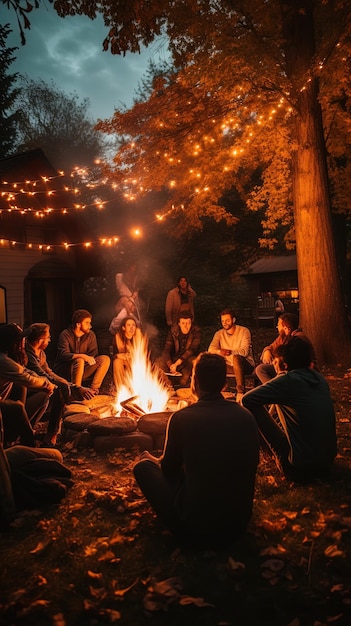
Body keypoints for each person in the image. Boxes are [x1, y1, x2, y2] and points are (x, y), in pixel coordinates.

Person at [133, 352, 259, 547]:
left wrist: (151, 459)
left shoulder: (182, 418)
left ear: (194, 382)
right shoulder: (246, 416)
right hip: (238, 524)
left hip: (196, 528)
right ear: (224, 385)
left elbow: (168, 471)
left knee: (142, 467)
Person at [242, 337, 337, 482]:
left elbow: (246, 400)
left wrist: (280, 375)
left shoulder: (287, 380)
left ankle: (277, 456)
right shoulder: (319, 378)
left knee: (251, 404)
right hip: (326, 463)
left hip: (298, 468)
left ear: (284, 364)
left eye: (275, 361)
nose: (273, 364)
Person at [25, 323, 96, 446]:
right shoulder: (28, 354)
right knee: (57, 390)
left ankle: (36, 431)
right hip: (25, 394)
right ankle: (50, 433)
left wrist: (74, 386)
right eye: (48, 338)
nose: (50, 340)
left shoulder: (41, 353)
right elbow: (42, 375)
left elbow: (50, 373)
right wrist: (74, 388)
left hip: (38, 388)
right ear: (40, 340)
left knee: (59, 386)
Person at [0, 323, 56, 447]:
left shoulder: (7, 358)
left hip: (3, 405)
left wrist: (45, 381)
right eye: (20, 340)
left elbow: (24, 371)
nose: (23, 343)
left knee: (21, 387)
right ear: (12, 343)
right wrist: (47, 384)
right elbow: (27, 378)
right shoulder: (2, 361)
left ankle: (19, 434)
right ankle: (24, 440)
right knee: (31, 400)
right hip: (2, 409)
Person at [53, 309, 110, 394]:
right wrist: (82, 356)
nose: (90, 326)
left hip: (83, 370)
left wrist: (86, 359)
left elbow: (93, 356)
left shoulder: (90, 335)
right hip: (66, 371)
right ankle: (76, 392)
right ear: (78, 324)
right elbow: (63, 355)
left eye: (90, 323)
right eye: (87, 323)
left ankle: (93, 390)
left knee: (105, 359)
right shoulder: (65, 335)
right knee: (80, 360)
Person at [255, 312, 317, 384]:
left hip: (300, 370)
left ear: (286, 327)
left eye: (279, 325)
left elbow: (292, 360)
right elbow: (272, 346)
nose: (277, 327)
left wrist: (278, 361)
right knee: (261, 368)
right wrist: (267, 351)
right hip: (287, 367)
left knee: (261, 369)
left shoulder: (298, 339)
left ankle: (275, 390)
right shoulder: (283, 337)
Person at [208, 308, 255, 402]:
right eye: (223, 321)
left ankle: (240, 393)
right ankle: (215, 393)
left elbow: (244, 351)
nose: (225, 323)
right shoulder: (219, 333)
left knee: (236, 358)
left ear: (233, 320)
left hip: (245, 364)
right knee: (212, 360)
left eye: (227, 320)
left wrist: (230, 352)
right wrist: (219, 352)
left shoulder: (244, 331)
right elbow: (210, 349)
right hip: (228, 365)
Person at [156, 311, 201, 387]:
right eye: (183, 323)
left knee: (185, 377)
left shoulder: (196, 332)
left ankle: (185, 387)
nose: (186, 326)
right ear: (179, 324)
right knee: (159, 362)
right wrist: (171, 365)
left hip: (188, 361)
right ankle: (167, 386)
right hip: (174, 360)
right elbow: (166, 350)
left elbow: (191, 350)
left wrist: (177, 364)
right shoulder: (173, 332)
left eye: (188, 323)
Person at [112, 316, 143, 392]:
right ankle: (121, 390)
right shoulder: (118, 337)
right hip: (123, 359)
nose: (131, 327)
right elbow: (111, 354)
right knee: (117, 362)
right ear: (123, 328)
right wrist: (117, 355)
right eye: (128, 325)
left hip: (135, 361)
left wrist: (133, 354)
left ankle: (136, 388)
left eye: (133, 325)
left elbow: (143, 353)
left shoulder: (138, 336)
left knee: (135, 362)